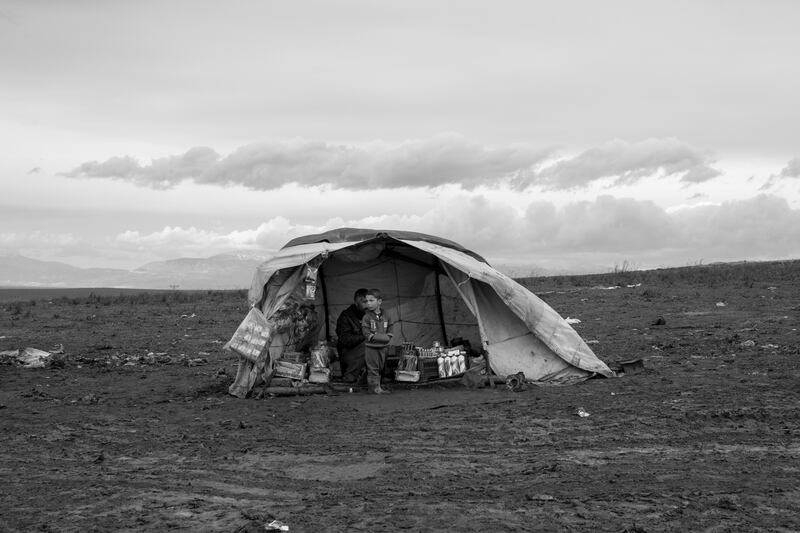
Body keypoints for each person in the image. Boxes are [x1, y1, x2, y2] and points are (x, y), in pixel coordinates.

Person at [361, 288, 394, 394]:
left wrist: (385, 336)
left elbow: (390, 328)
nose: (368, 304)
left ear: (379, 301)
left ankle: (373, 386)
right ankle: (374, 388)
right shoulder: (366, 317)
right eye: (367, 301)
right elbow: (366, 333)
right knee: (373, 368)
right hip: (371, 347)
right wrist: (382, 338)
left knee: (379, 367)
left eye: (371, 300)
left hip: (383, 347)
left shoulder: (386, 315)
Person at [335, 288, 368, 383]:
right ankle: (349, 376)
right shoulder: (346, 317)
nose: (367, 305)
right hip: (348, 353)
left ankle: (377, 376)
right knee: (367, 343)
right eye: (364, 302)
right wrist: (365, 336)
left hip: (364, 354)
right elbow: (346, 340)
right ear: (356, 302)